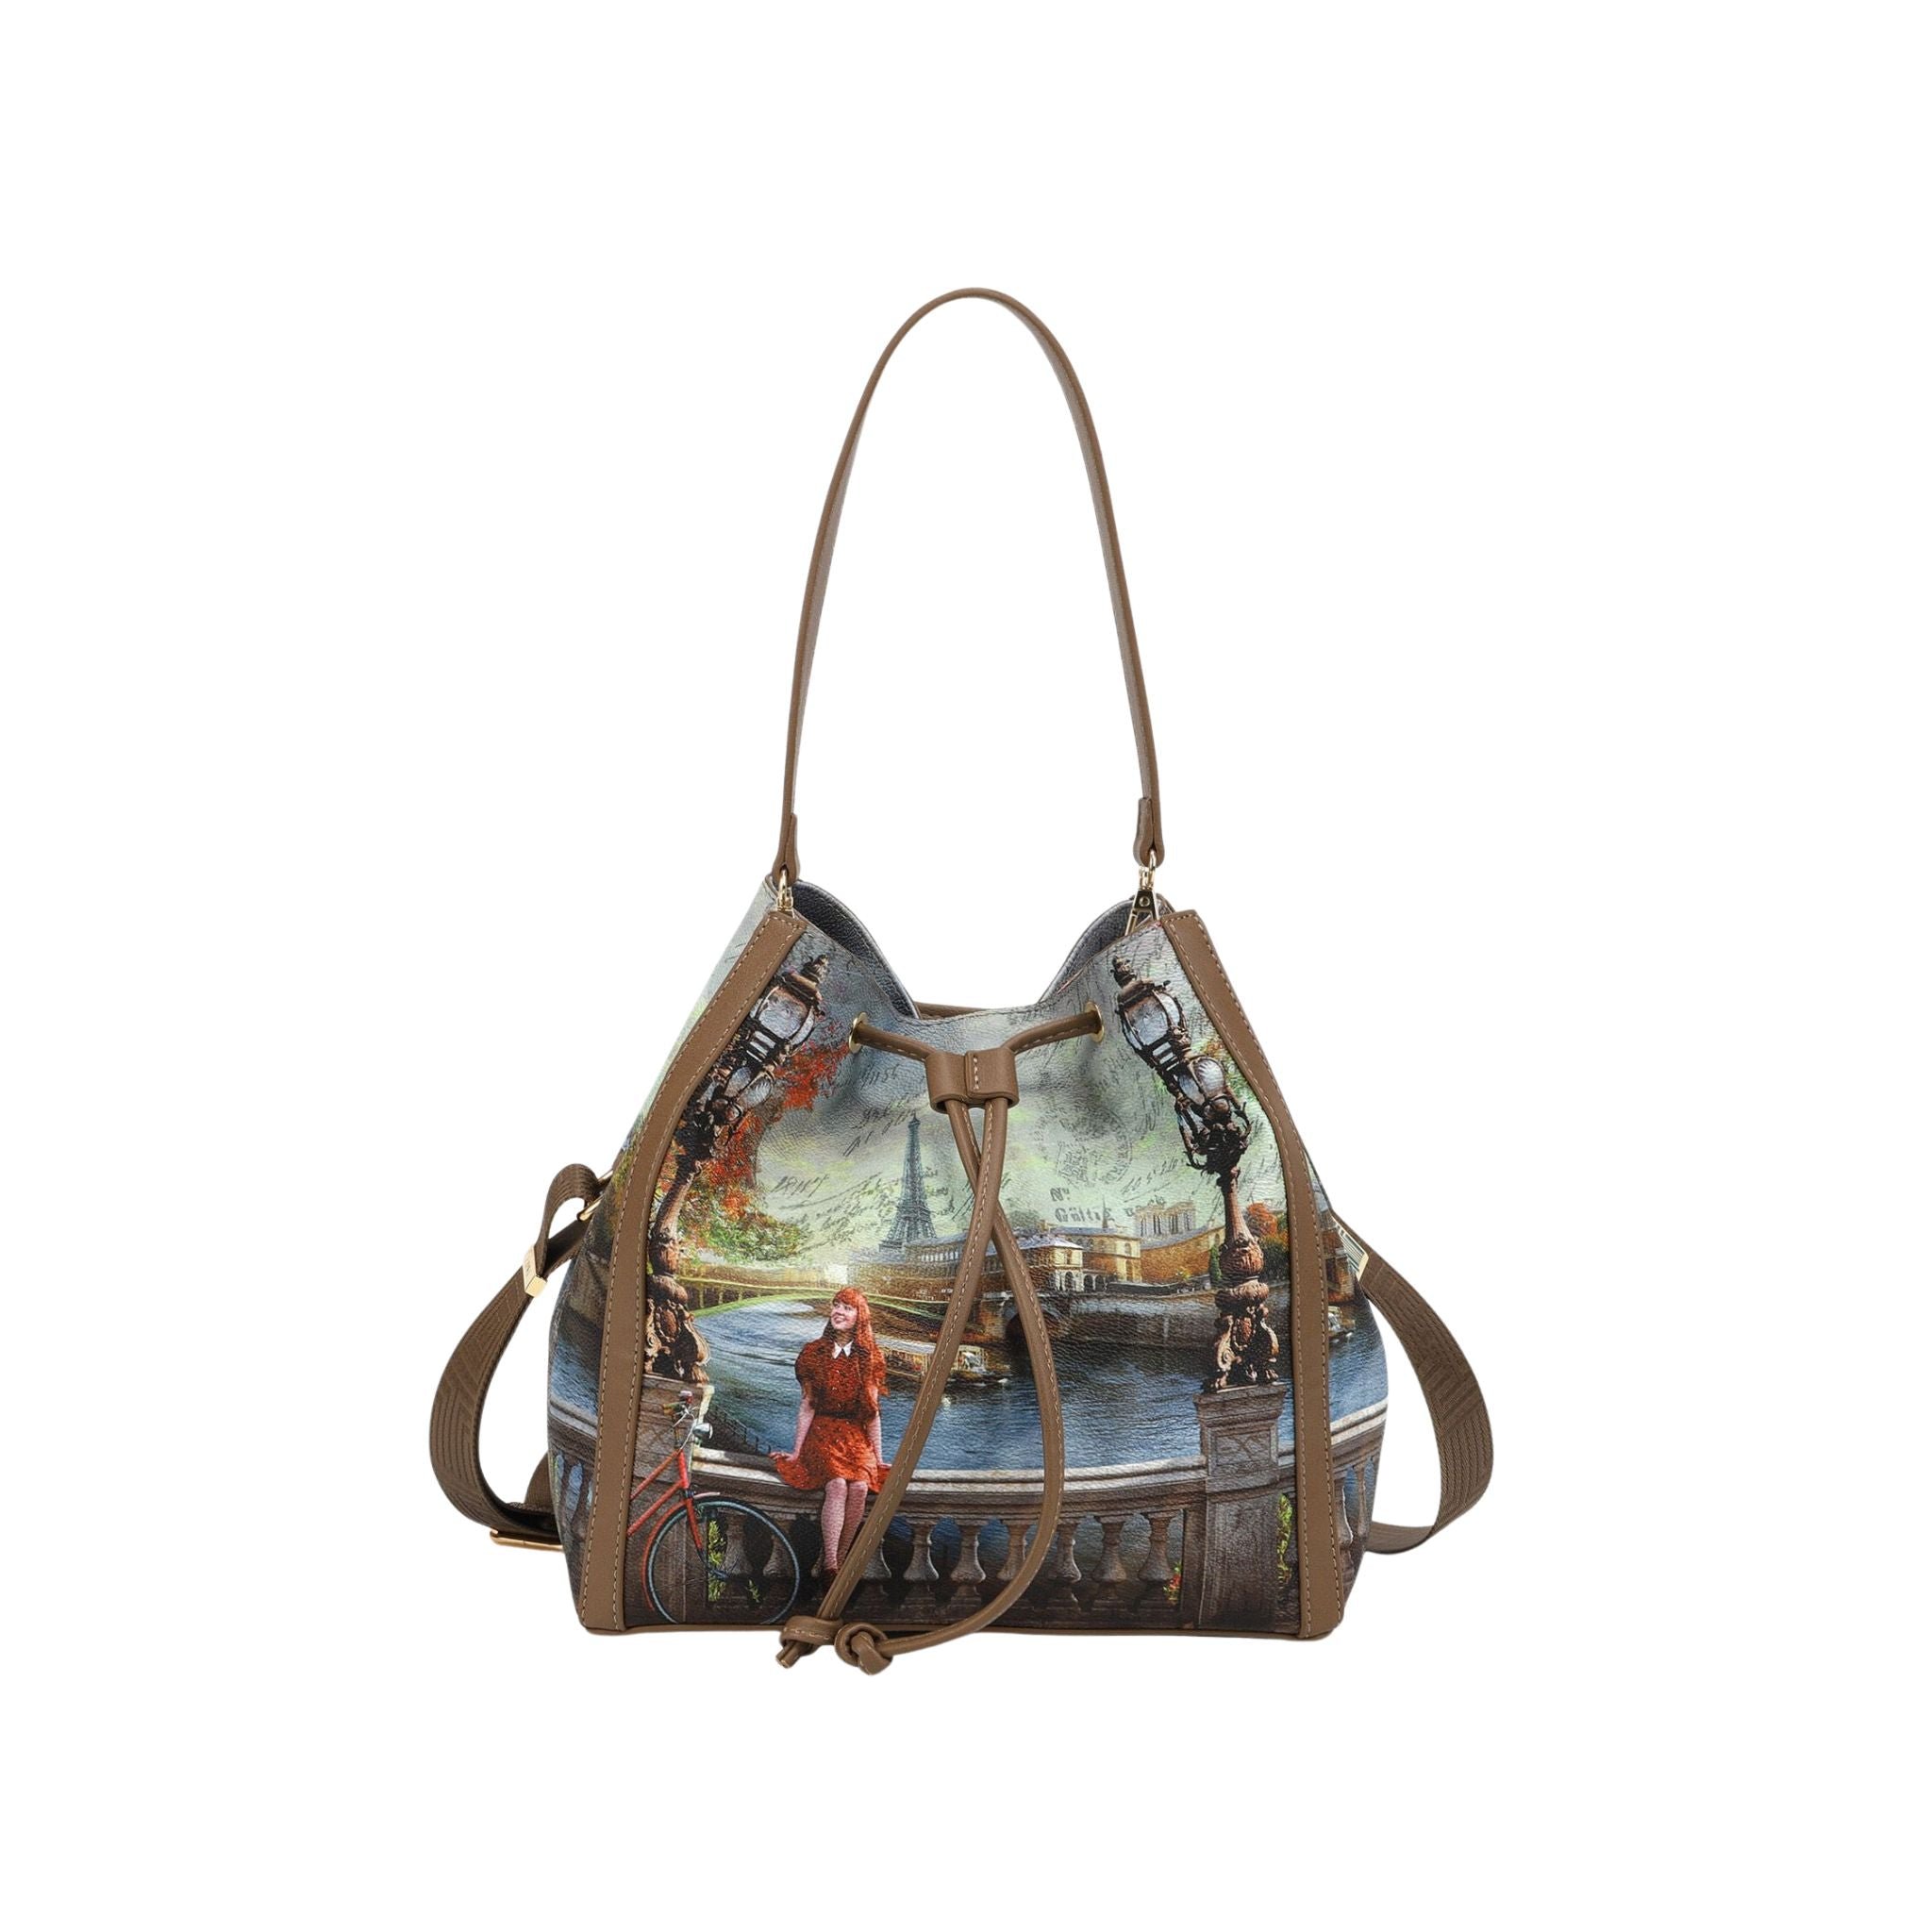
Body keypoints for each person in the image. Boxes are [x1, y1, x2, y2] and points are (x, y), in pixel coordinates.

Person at [771, 1287, 891, 1575]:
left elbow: (872, 1413)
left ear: (859, 1316)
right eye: (836, 1305)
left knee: (859, 1487)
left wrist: (878, 1457)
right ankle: (830, 1564)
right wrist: (797, 1452)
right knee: (837, 1484)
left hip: (855, 1436)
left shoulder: (870, 1358)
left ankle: (840, 1558)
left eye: (847, 1308)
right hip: (822, 1431)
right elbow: (807, 1406)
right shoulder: (813, 1354)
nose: (838, 1311)